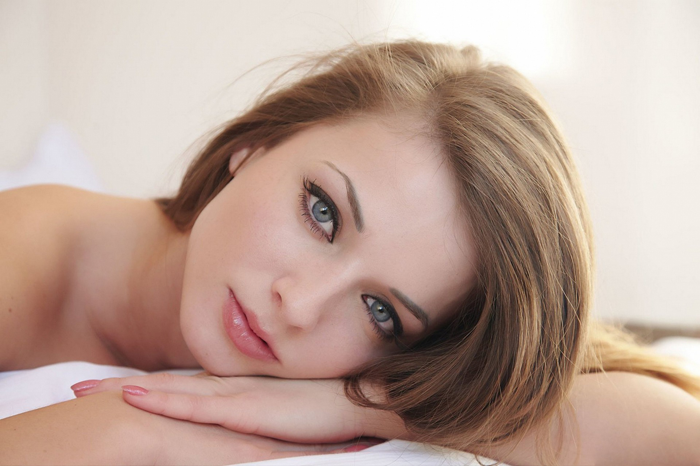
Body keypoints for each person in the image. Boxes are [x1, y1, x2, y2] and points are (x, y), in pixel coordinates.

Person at [1, 40, 699, 466]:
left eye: (379, 310)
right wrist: (123, 431)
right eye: (323, 213)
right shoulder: (22, 261)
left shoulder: (364, 377)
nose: (300, 305)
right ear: (257, 143)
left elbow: (676, 432)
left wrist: (362, 407)